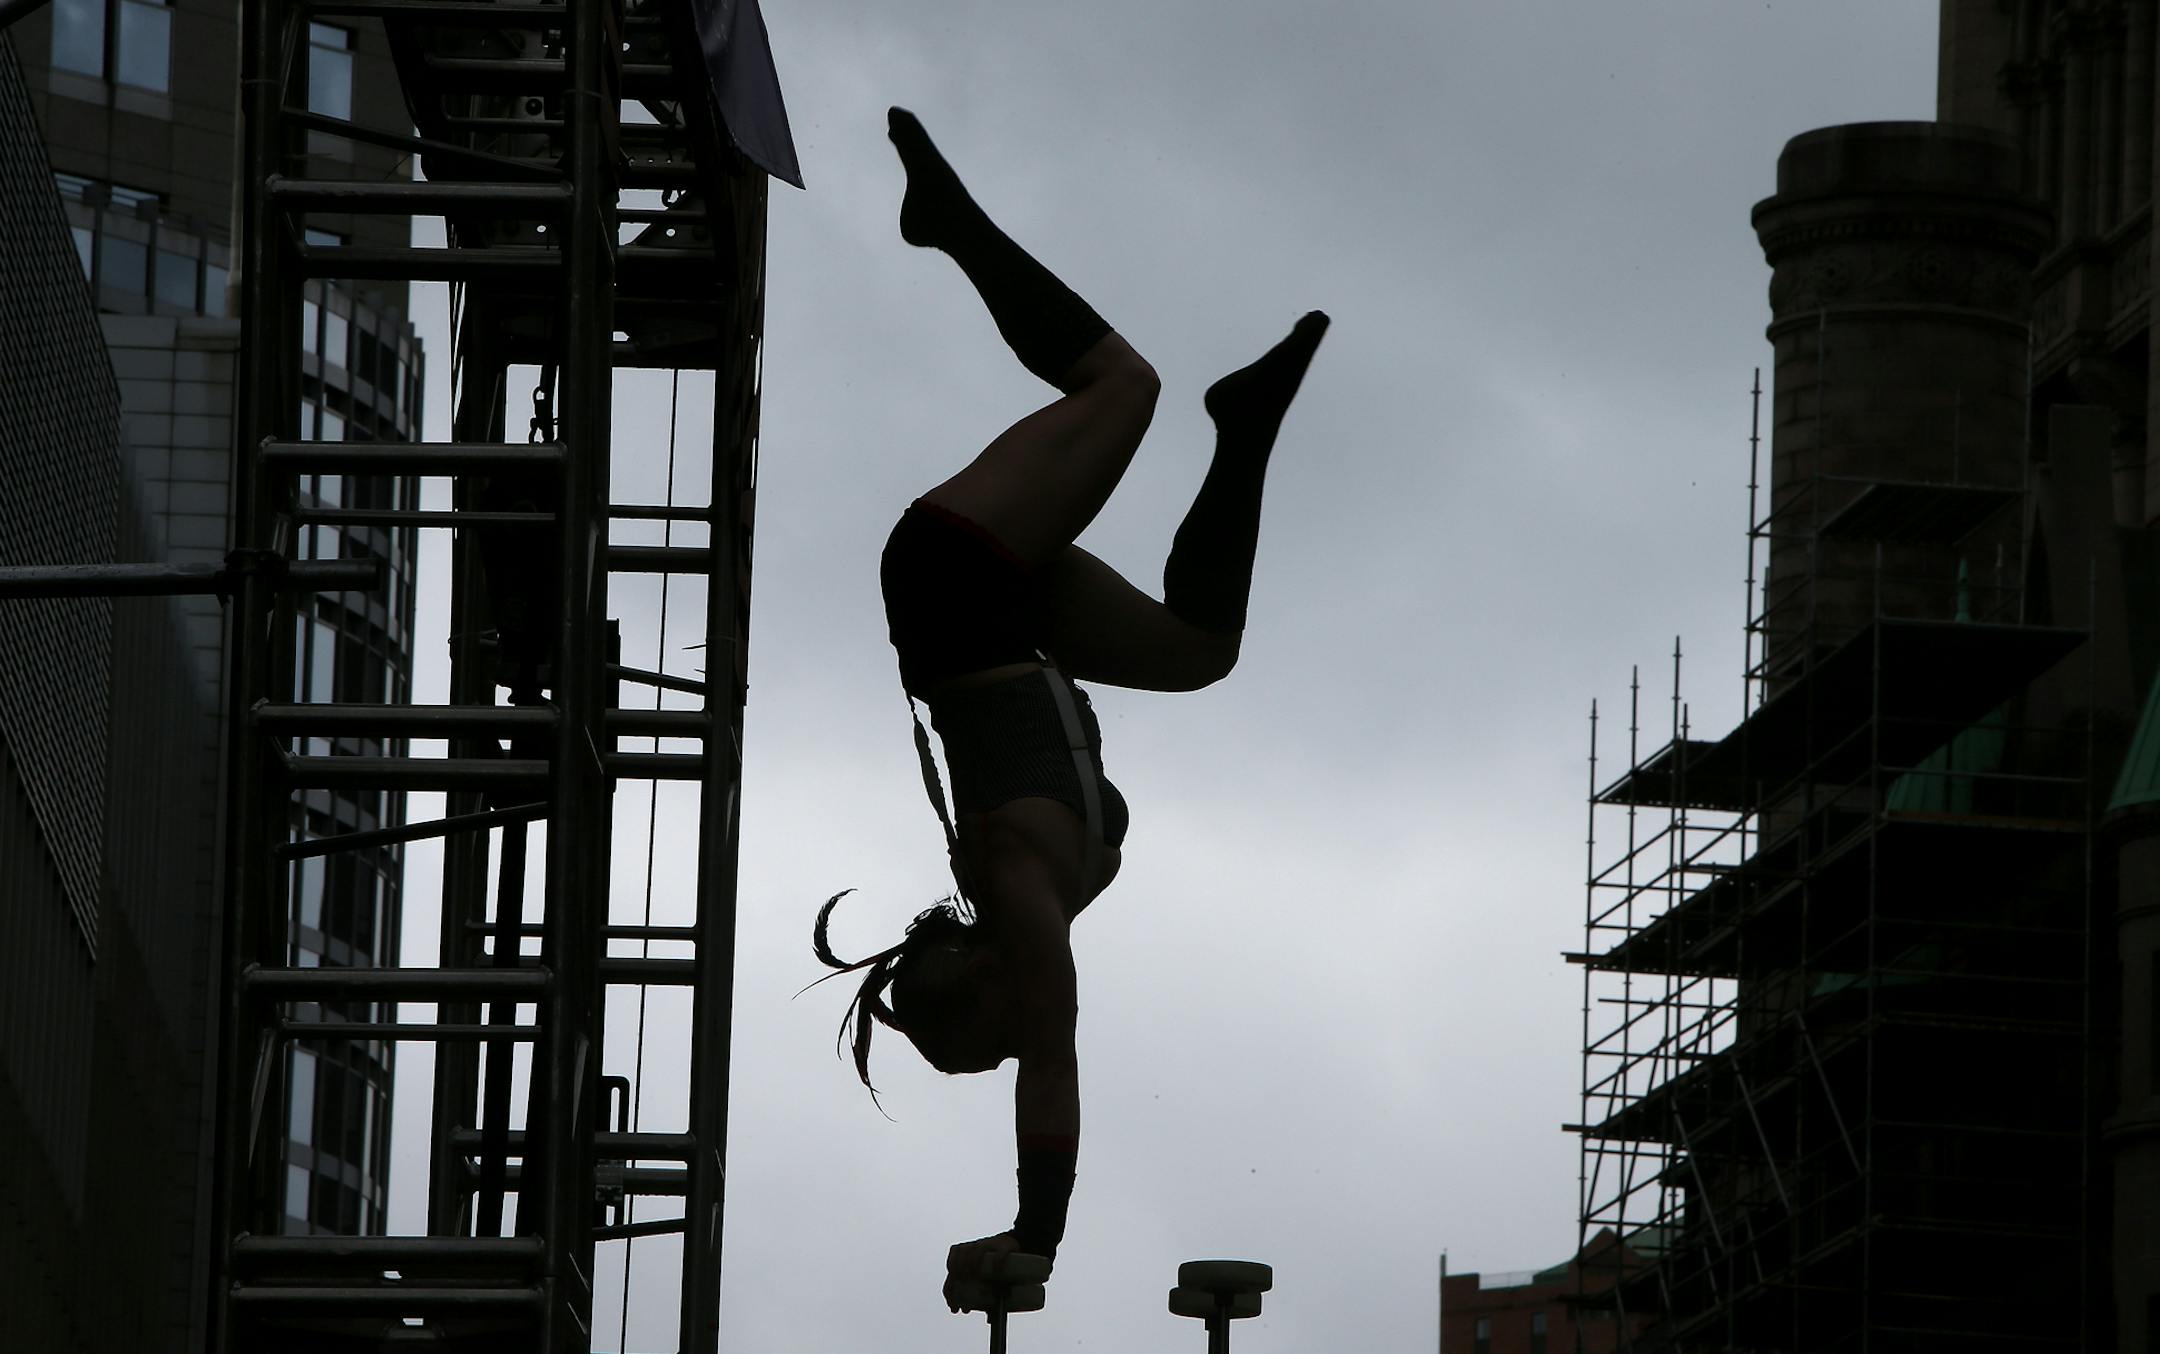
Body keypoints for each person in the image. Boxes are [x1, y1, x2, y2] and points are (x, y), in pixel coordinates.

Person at [812, 107, 1328, 1310]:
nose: (1009, 1044)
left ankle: (949, 226)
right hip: (1010, 615)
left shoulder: (1022, 884)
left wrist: (1035, 1235)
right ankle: (1242, 431)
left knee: (1125, 384)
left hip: (956, 582)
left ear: (981, 981)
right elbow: (1035, 1048)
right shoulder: (1040, 890)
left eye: (982, 1037)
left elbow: (1051, 1061)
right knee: (1200, 651)